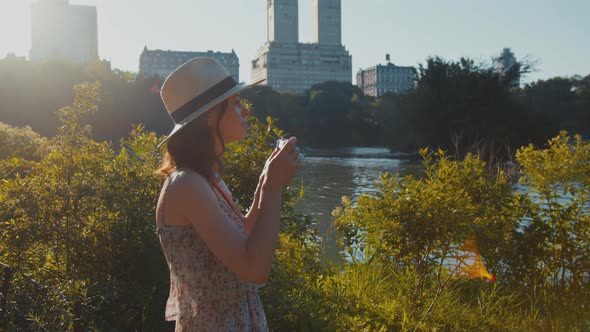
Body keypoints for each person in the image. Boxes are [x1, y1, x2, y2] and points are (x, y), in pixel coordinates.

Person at [154, 57, 301, 331]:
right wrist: (272, 187)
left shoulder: (206, 178)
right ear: (210, 116)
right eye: (235, 103)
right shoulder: (186, 184)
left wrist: (266, 179)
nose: (245, 111)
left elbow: (241, 235)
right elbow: (254, 268)